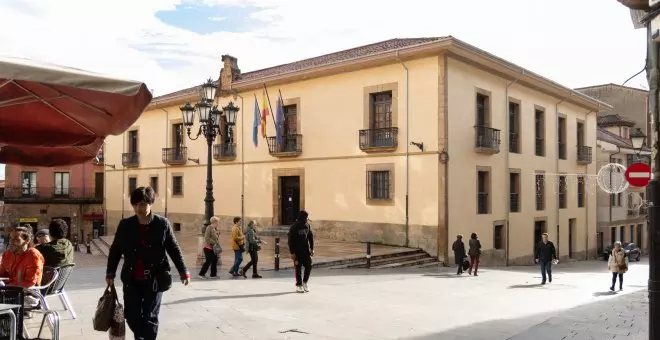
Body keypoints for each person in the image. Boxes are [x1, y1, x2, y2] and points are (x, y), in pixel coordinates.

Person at [106, 186, 190, 340]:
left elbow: (173, 248)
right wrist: (110, 272)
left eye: (143, 204)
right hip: (132, 279)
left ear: (151, 203)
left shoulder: (162, 224)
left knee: (150, 317)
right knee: (131, 316)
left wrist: (183, 271)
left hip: (155, 279)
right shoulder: (126, 225)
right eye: (136, 204)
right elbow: (116, 249)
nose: (139, 208)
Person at [288, 211, 314, 293]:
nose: (307, 219)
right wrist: (292, 252)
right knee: (298, 268)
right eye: (306, 218)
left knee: (309, 266)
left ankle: (305, 282)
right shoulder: (294, 227)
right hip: (297, 252)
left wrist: (312, 248)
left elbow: (311, 237)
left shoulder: (308, 225)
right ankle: (299, 285)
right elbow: (290, 241)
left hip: (306, 250)